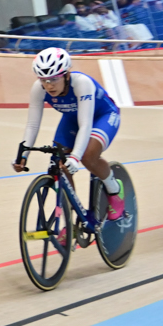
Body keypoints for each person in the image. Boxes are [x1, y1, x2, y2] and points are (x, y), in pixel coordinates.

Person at [12, 46, 126, 219]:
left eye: (54, 79)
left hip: (103, 116)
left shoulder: (82, 83)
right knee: (59, 162)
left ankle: (115, 190)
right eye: (43, 79)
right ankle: (71, 219)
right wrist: (23, 154)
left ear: (66, 75)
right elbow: (33, 124)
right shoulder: (38, 88)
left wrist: (76, 156)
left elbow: (86, 124)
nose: (48, 85)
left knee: (88, 156)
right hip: (73, 118)